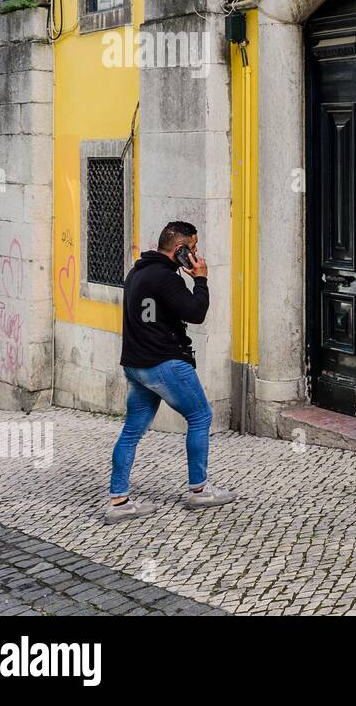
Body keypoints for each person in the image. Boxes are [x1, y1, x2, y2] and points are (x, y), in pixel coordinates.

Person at [105, 220, 236, 524]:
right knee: (200, 416)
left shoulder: (137, 272)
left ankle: (119, 500)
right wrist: (200, 279)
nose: (196, 254)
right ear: (179, 250)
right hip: (164, 364)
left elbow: (154, 315)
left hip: (136, 366)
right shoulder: (165, 278)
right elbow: (196, 312)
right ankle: (200, 490)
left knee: (132, 431)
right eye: (193, 248)